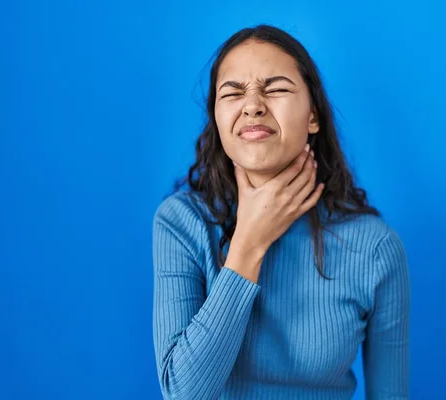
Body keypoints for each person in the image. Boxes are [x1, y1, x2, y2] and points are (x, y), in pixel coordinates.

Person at [152, 24, 411, 400]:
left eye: (275, 89)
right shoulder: (181, 223)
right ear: (217, 120)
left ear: (313, 116)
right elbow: (184, 394)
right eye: (233, 92)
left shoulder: (375, 248)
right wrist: (249, 242)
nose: (253, 104)